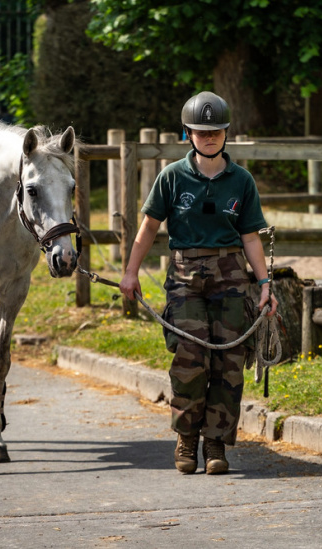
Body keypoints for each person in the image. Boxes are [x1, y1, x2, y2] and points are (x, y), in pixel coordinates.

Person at [119, 91, 278, 475]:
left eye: (216, 131)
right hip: (185, 278)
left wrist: (264, 283)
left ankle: (216, 445)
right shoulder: (171, 177)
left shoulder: (241, 180)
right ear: (187, 133)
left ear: (226, 134)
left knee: (228, 363)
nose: (209, 137)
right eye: (201, 131)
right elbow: (148, 228)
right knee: (190, 361)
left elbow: (251, 236)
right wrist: (130, 272)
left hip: (232, 279)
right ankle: (187, 439)